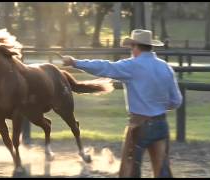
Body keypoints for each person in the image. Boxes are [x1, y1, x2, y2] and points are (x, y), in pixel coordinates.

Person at [61, 29, 182, 178]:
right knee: (162, 170)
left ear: (135, 47)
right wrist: (158, 106)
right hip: (161, 124)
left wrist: (75, 62)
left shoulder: (131, 66)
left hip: (140, 126)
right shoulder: (165, 67)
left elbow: (104, 67)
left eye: (131, 47)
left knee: (129, 170)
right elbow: (176, 101)